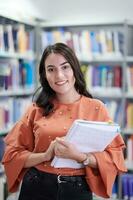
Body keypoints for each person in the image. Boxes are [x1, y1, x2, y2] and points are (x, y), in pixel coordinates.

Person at [2, 43, 127, 200]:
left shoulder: (97, 108)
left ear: (74, 69)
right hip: (36, 186)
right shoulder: (36, 109)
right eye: (51, 69)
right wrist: (45, 155)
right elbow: (12, 155)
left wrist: (80, 156)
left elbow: (113, 158)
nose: (59, 75)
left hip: (77, 190)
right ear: (45, 76)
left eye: (65, 67)